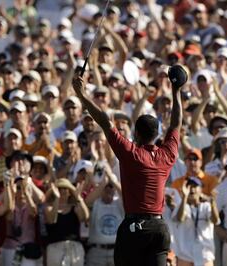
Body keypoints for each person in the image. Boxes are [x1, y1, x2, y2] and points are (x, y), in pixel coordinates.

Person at [72, 62, 183, 266]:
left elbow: (105, 122)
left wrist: (82, 96)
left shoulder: (132, 154)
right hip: (159, 228)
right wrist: (176, 90)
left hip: (134, 228)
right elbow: (176, 123)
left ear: (137, 135)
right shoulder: (167, 154)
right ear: (156, 134)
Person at [172, 177, 219, 266]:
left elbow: (215, 221)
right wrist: (184, 198)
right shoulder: (181, 206)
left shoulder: (206, 206)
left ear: (201, 189)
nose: (192, 189)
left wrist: (213, 203)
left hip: (205, 255)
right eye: (189, 186)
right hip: (185, 256)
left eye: (195, 186)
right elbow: (180, 218)